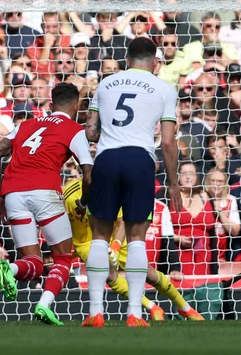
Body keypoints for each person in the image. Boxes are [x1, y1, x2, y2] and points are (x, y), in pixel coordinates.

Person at [82, 37, 181, 328]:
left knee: (99, 237)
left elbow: (90, 131)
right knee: (137, 238)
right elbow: (167, 142)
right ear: (154, 62)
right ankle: (135, 314)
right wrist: (173, 183)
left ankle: (95, 313)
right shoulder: (164, 88)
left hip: (107, 159)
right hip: (140, 160)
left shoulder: (105, 84)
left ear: (126, 60)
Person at [0, 83, 93, 326]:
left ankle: (10, 269)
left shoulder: (25, 125)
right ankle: (44, 303)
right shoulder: (75, 130)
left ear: (50, 105)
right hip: (44, 192)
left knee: (33, 262)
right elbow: (88, 173)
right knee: (63, 258)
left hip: (13, 193)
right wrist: (83, 202)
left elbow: (2, 147)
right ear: (76, 106)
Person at [62, 178, 204, 321]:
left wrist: (115, 246)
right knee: (109, 275)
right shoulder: (69, 192)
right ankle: (151, 306)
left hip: (112, 236)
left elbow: (122, 220)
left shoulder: (110, 190)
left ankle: (185, 308)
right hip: (86, 242)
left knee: (149, 273)